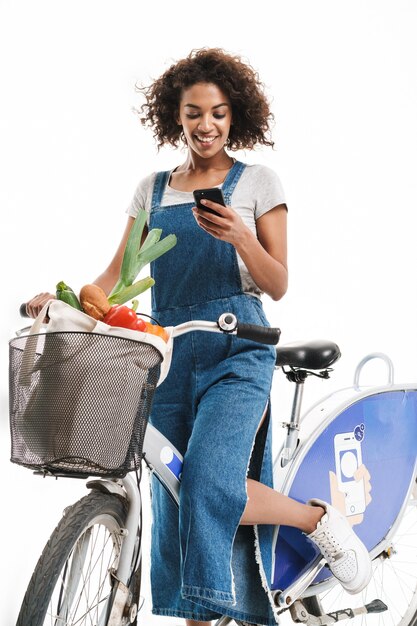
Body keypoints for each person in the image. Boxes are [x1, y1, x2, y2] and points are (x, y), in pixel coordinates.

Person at [26, 48, 371, 626]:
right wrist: (61, 299)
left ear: (235, 116)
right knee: (182, 497)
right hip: (167, 357)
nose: (205, 126)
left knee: (210, 481)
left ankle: (317, 521)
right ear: (176, 117)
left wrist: (241, 236)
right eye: (193, 114)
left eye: (216, 113)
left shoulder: (258, 181)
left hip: (239, 351)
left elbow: (278, 283)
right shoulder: (153, 189)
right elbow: (111, 282)